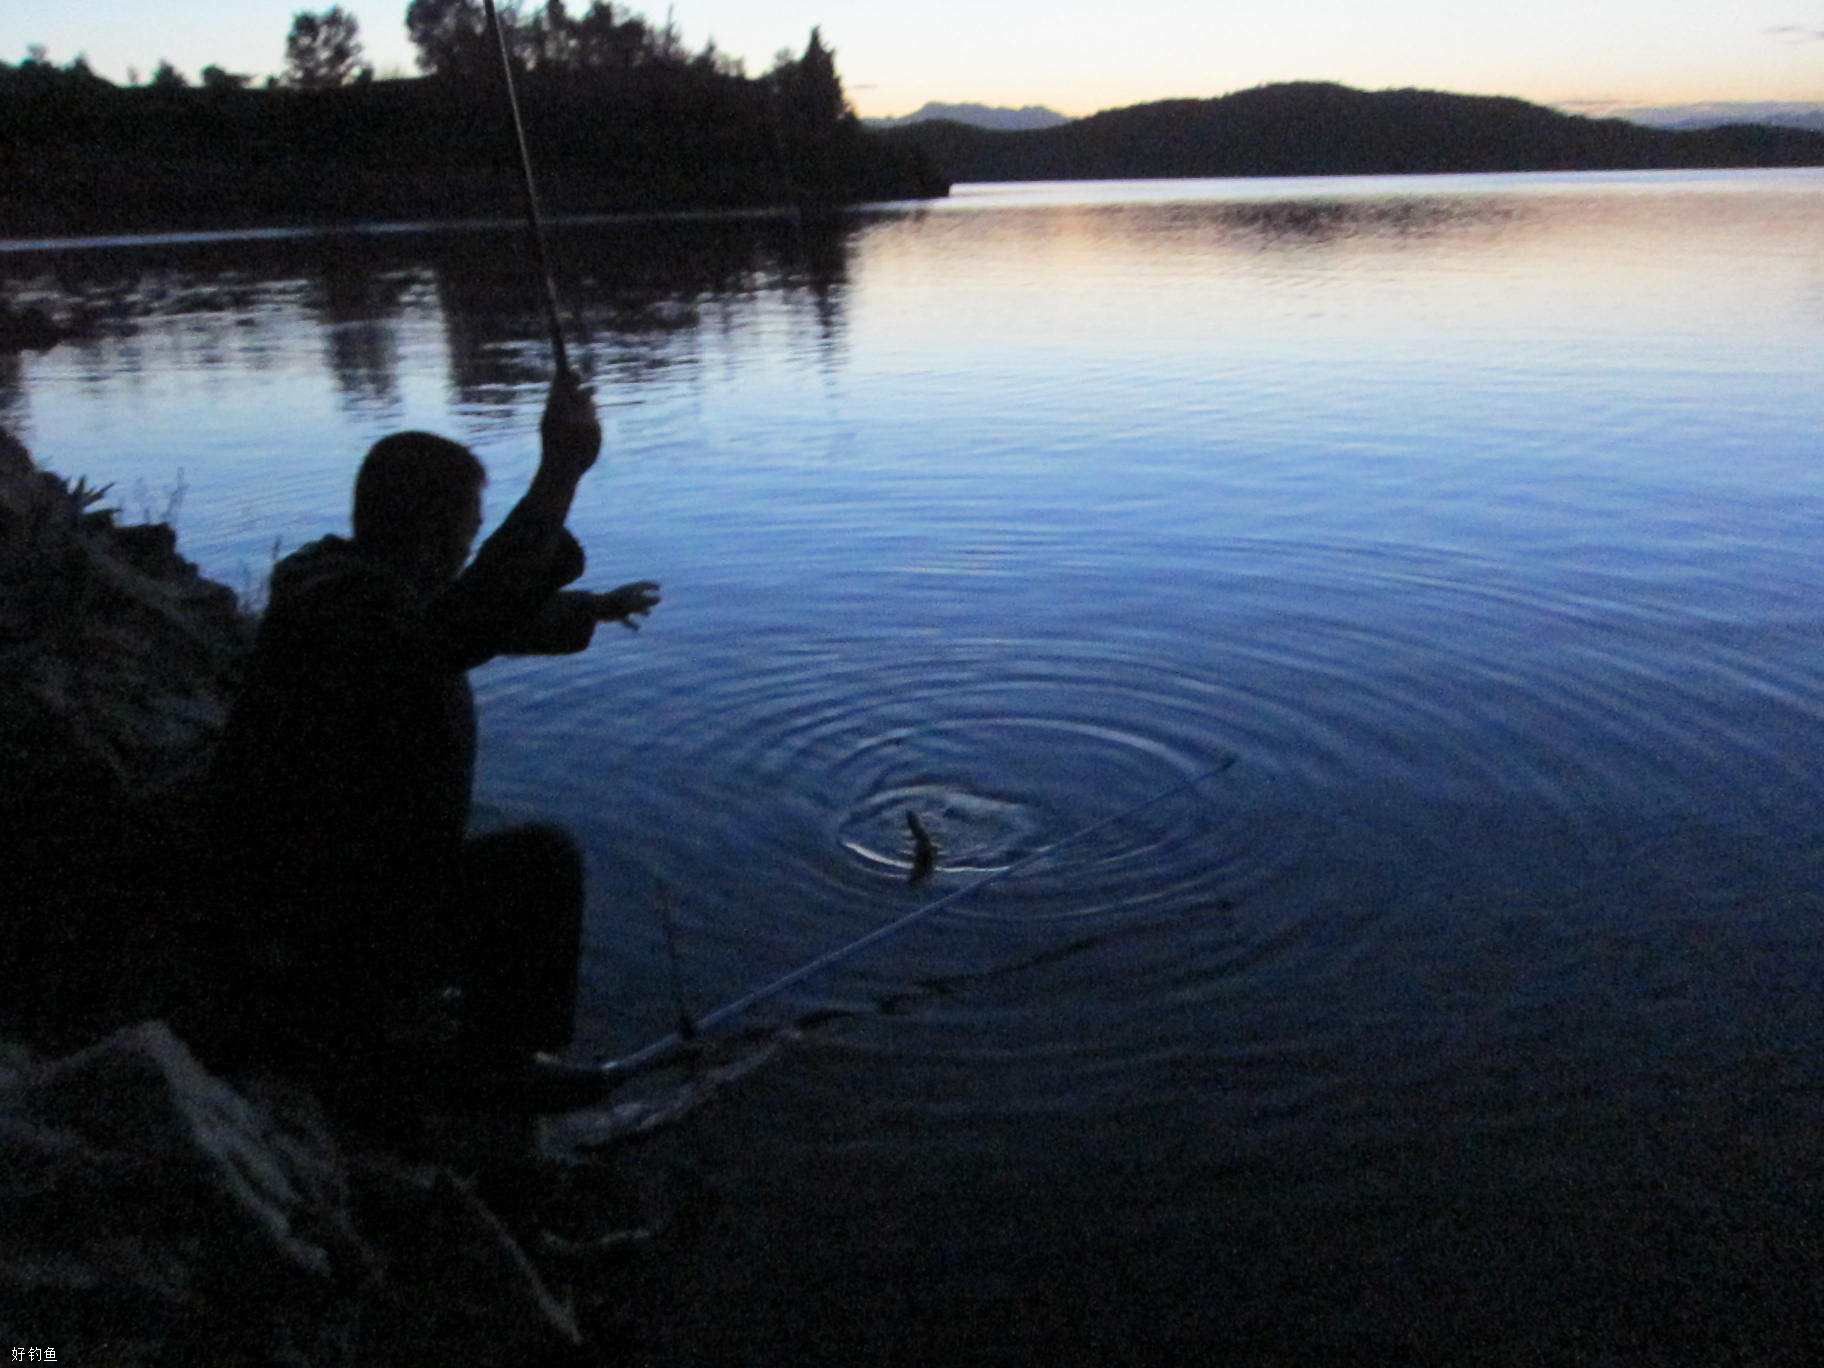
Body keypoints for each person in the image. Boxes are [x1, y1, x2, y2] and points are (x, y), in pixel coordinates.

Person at [200, 372, 658, 1096]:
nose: (471, 543)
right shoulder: (349, 604)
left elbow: (457, 617)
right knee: (540, 864)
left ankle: (406, 1007)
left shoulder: (341, 583)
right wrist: (559, 471)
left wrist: (591, 608)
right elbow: (455, 622)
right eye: (470, 529)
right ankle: (494, 1071)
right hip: (307, 922)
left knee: (490, 839)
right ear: (431, 528)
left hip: (318, 889)